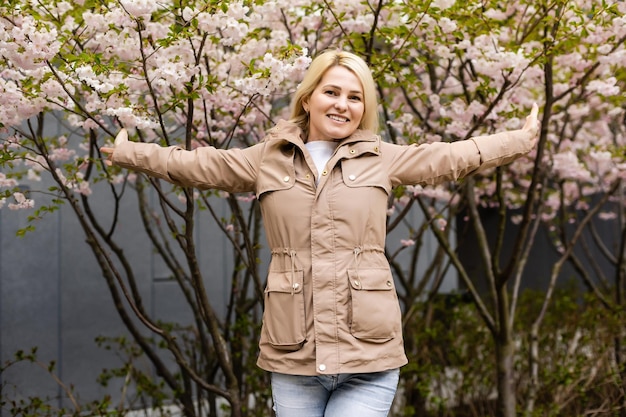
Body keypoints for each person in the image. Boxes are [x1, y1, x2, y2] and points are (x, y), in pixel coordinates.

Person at [101, 49, 540, 417]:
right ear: (308, 98)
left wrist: (519, 141)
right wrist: (129, 153)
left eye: (355, 97)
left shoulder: (380, 158)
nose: (342, 104)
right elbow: (195, 166)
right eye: (331, 92)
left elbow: (451, 157)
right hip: (294, 351)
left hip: (367, 350)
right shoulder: (265, 159)